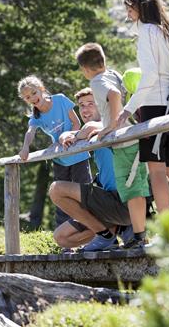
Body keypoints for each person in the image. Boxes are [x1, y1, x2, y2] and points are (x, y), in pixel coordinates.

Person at [70, 43, 149, 249]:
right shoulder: (112, 73)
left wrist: (111, 126)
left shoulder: (97, 81)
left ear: (85, 69)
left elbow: (113, 94)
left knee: (131, 190)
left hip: (123, 143)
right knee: (137, 188)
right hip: (134, 138)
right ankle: (140, 235)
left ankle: (139, 237)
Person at [117, 0, 169, 214]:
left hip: (154, 105)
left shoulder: (147, 31)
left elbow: (151, 75)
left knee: (156, 171)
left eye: (129, 8)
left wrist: (128, 109)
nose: (128, 14)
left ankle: (167, 232)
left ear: (139, 6)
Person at [52, 88, 133, 250]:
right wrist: (64, 136)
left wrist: (73, 137)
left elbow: (89, 128)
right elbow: (70, 133)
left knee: (56, 189)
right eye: (81, 105)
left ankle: (107, 233)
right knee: (62, 238)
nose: (85, 109)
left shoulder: (112, 123)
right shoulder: (89, 132)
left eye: (91, 104)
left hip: (126, 200)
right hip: (107, 201)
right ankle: (112, 231)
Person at [17, 75, 92, 228]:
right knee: (61, 199)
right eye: (27, 97)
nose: (32, 98)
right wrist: (25, 147)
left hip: (78, 155)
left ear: (41, 89)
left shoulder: (60, 100)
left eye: (33, 93)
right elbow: (30, 132)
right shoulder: (36, 117)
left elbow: (76, 123)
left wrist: (69, 138)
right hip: (60, 160)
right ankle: (64, 237)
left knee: (85, 195)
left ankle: (92, 232)